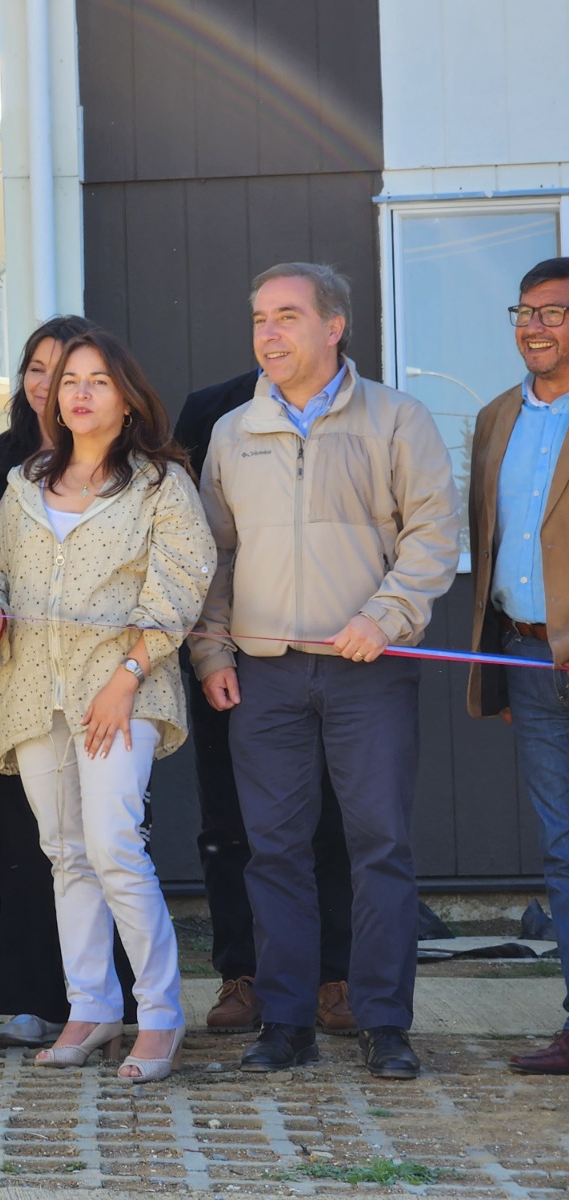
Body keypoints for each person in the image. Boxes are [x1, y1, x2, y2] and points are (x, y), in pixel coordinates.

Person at [193, 262, 459, 1080]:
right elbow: (214, 556)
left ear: (333, 326)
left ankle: (384, 1022)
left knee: (379, 846)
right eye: (258, 320)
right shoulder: (234, 433)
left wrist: (382, 619)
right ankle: (284, 1022)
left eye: (286, 318)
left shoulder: (395, 419)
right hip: (266, 676)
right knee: (272, 851)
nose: (267, 334)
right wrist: (211, 650)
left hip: (367, 671)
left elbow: (431, 538)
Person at [0, 329, 214, 1084]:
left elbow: (181, 583)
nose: (78, 392)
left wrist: (128, 674)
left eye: (98, 380)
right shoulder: (25, 482)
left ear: (128, 395)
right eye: (70, 379)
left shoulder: (161, 483)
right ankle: (92, 1004)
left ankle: (160, 1015)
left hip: (123, 690)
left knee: (112, 846)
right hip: (34, 691)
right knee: (64, 853)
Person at [0, 315, 139, 1047]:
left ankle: (114, 1003)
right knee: (33, 841)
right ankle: (35, 998)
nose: (50, 384)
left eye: (66, 371)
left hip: (106, 686)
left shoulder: (135, 471)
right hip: (15, 678)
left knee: (109, 841)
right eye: (38, 368)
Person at [176, 367, 356, 1036]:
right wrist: (208, 647)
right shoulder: (213, 410)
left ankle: (333, 976)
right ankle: (241, 973)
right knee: (230, 821)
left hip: (336, 654)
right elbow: (197, 537)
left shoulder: (362, 414)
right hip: (230, 652)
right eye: (267, 320)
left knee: (334, 817)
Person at [467, 256, 569, 1074]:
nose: (534, 326)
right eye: (524, 311)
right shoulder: (497, 417)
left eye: (554, 312)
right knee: (563, 849)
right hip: (529, 657)